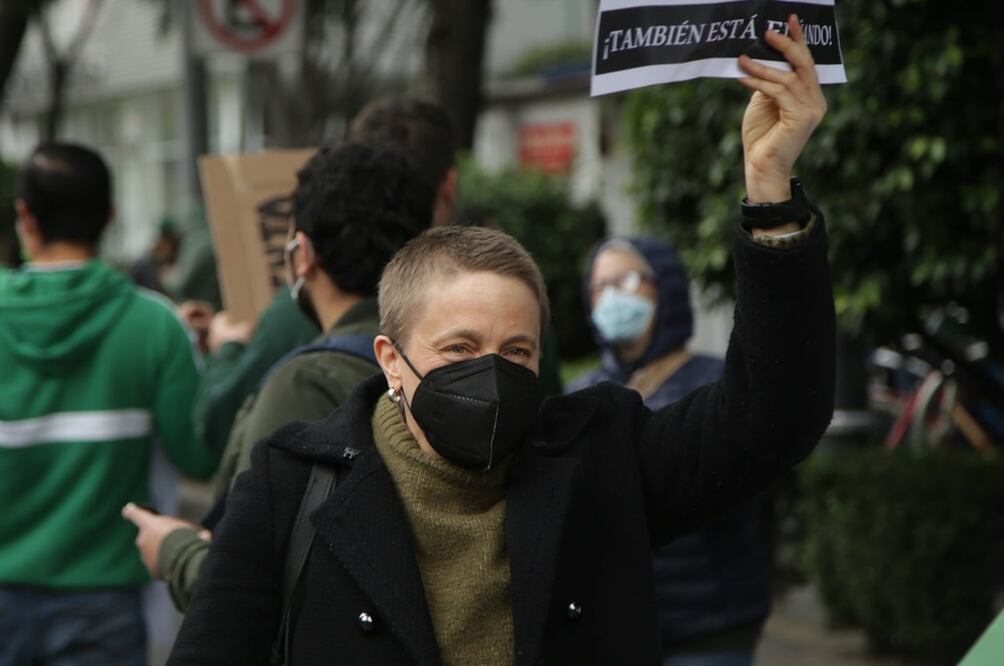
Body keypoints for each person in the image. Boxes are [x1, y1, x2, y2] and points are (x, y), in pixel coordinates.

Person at [167, 18, 835, 665]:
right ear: (390, 360)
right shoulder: (290, 486)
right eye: (459, 349)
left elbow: (772, 417)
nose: (489, 371)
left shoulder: (600, 461)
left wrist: (771, 198)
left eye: (516, 351)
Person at [124, 141, 436, 611]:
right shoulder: (449, 359)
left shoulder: (302, 384)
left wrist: (174, 551)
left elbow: (249, 586)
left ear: (302, 254)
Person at [0, 142, 219, 665]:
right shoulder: (156, 326)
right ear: (110, 216)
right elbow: (198, 454)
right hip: (104, 607)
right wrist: (224, 357)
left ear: (25, 216)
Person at [190, 96, 459, 457]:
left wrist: (228, 350)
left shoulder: (298, 381)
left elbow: (219, 436)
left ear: (303, 255)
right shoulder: (473, 311)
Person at [569, 237, 770, 665]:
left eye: (627, 280)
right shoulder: (579, 393)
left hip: (710, 626)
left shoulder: (718, 384)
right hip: (615, 632)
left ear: (666, 288)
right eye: (600, 286)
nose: (612, 296)